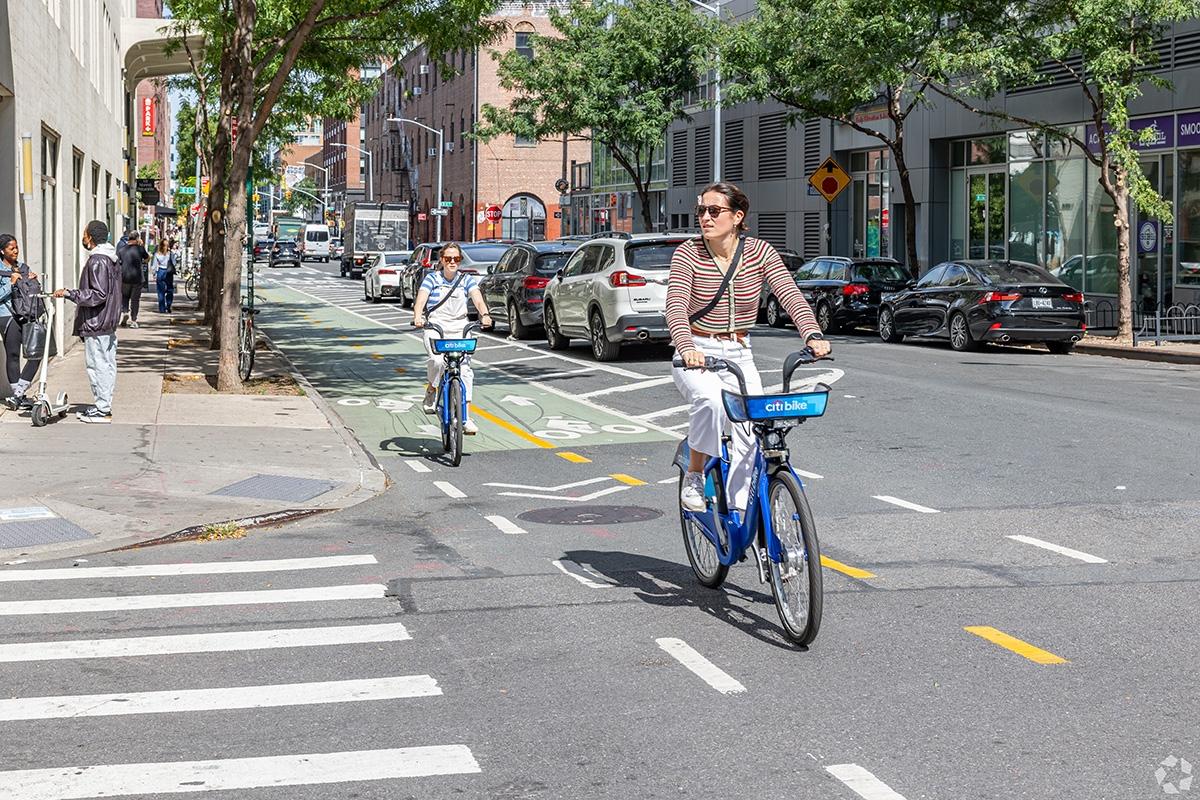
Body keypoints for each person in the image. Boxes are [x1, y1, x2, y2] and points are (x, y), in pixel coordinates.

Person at [666, 182, 832, 512]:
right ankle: (696, 474)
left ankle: (742, 512)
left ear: (738, 216)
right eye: (701, 211)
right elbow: (675, 306)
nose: (706, 218)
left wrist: (812, 335)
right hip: (697, 350)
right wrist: (687, 348)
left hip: (740, 351)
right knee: (711, 402)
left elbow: (789, 293)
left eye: (715, 211)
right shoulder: (688, 253)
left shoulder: (759, 252)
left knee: (750, 431)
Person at [411, 242, 492, 436]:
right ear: (442, 260)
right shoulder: (432, 279)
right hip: (436, 326)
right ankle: (432, 389)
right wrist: (418, 316)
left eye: (456, 259)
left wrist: (485, 314)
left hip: (460, 327)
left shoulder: (467, 280)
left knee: (465, 370)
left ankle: (466, 417)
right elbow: (420, 300)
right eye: (448, 259)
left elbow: (478, 299)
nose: (452, 262)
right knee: (437, 361)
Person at [52, 220, 122, 423]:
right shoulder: (110, 259)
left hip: (97, 322)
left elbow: (98, 294)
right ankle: (103, 405)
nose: (83, 237)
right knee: (106, 365)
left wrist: (70, 293)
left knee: (97, 365)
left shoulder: (98, 260)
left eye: (85, 233)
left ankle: (102, 409)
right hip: (106, 321)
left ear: (90, 237)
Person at [0, 235, 43, 409]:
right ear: (2, 251)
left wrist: (33, 281)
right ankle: (19, 395)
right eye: (12, 249)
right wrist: (10, 284)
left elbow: (32, 292)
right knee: (13, 355)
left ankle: (17, 396)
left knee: (36, 353)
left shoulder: (23, 267)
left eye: (16, 247)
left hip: (26, 314)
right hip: (7, 315)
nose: (16, 251)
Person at [118, 230, 148, 328]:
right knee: (135, 300)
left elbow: (118, 263)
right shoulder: (140, 249)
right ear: (137, 238)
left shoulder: (122, 250)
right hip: (137, 278)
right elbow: (147, 258)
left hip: (125, 277)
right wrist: (142, 261)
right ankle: (134, 320)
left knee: (125, 297)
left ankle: (125, 312)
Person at [153, 239, 175, 313]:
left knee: (160, 291)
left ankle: (162, 309)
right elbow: (174, 263)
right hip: (169, 272)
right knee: (170, 289)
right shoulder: (170, 254)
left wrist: (154, 273)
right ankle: (168, 304)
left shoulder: (157, 254)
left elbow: (154, 265)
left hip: (160, 271)